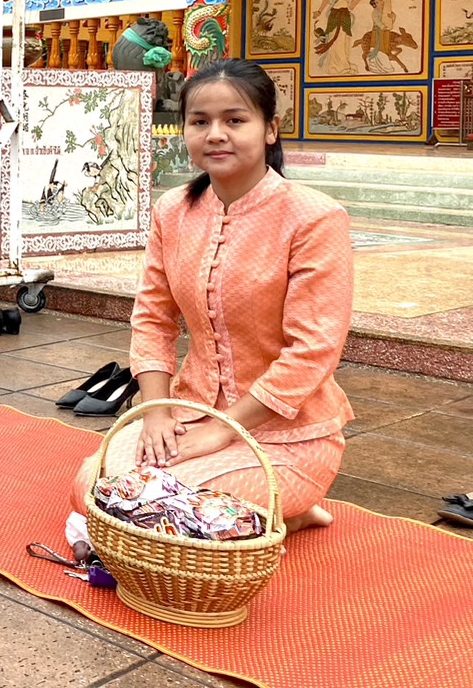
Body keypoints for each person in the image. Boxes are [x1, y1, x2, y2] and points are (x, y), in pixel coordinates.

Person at [67, 59, 353, 549]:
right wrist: (155, 412)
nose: (216, 133)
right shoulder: (173, 210)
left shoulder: (314, 218)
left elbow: (315, 349)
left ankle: (294, 507)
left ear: (270, 130)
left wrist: (226, 432)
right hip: (187, 413)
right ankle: (267, 518)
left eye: (235, 120)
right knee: (91, 486)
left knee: (162, 503)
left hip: (289, 435)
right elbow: (154, 318)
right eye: (200, 122)